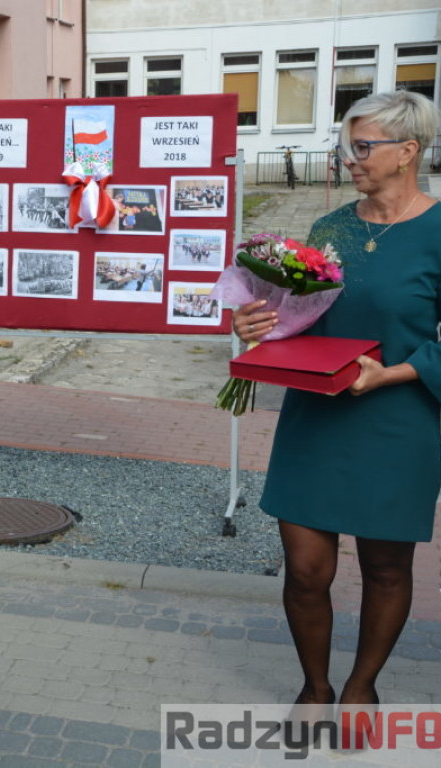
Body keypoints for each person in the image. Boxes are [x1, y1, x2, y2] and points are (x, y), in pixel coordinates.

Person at [232, 90, 441, 713]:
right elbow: (302, 317)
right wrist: (257, 325)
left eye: (363, 146)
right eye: (347, 145)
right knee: (304, 569)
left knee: (384, 569)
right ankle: (315, 685)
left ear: (408, 152)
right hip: (318, 415)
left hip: (400, 418)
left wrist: (394, 373)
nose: (349, 158)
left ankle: (360, 686)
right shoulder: (332, 228)